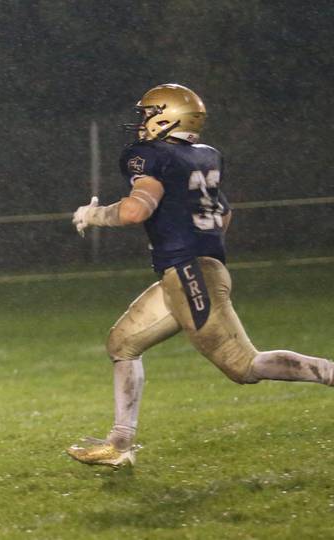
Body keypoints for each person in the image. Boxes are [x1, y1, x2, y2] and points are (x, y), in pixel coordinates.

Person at [67, 83, 334, 468]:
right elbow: (224, 214)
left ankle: (328, 372)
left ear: (166, 117)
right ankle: (119, 444)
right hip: (191, 270)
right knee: (122, 343)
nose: (142, 122)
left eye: (148, 113)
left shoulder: (149, 156)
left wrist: (95, 215)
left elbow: (134, 211)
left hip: (190, 272)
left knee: (244, 366)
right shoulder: (205, 156)